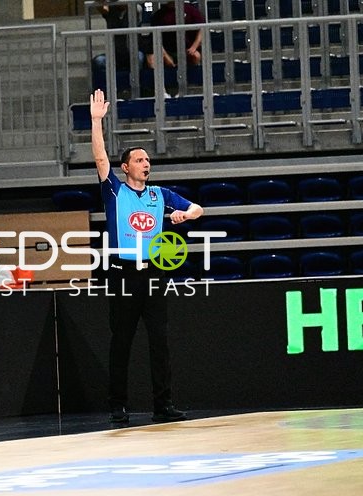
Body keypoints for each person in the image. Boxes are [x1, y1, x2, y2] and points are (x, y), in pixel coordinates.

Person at [89, 89, 203, 424]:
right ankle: (118, 405)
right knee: (121, 341)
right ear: (126, 167)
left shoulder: (159, 194)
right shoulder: (114, 190)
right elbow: (100, 159)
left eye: (148, 160)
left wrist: (185, 215)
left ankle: (163, 405)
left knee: (160, 341)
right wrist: (96, 121)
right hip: (123, 272)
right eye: (139, 160)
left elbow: (198, 208)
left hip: (154, 273)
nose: (146, 164)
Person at [144, 1, 205, 96]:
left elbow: (202, 28)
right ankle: (162, 92)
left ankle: (186, 89)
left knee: (196, 56)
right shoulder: (159, 14)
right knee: (151, 58)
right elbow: (155, 38)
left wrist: (194, 47)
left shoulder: (190, 9)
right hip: (167, 51)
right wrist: (166, 56)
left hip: (186, 50)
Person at [91, 0, 147, 95]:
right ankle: (107, 93)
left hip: (133, 52)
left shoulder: (135, 8)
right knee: (98, 61)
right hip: (115, 54)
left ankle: (136, 90)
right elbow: (101, 7)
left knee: (139, 58)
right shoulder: (111, 9)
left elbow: (132, 8)